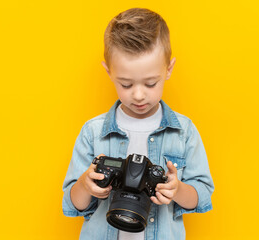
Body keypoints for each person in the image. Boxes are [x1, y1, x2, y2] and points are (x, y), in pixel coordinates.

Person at [62, 7, 214, 240]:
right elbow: (73, 204)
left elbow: (202, 196)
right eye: (126, 84)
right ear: (109, 72)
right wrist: (85, 185)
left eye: (151, 83)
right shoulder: (93, 132)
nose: (139, 95)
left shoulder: (183, 132)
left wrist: (177, 189)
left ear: (169, 69)